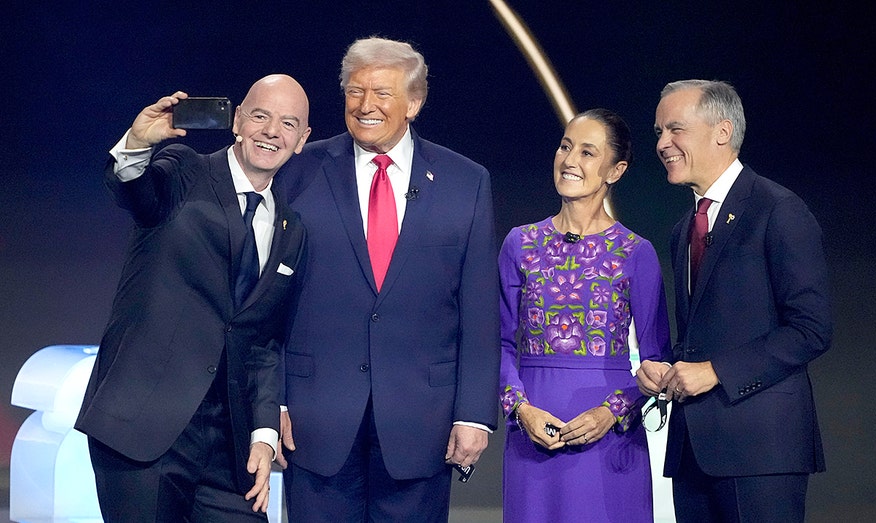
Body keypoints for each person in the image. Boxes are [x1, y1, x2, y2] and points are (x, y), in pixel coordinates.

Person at [273, 37, 500, 522]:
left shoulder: (465, 181)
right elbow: (269, 299)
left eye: (382, 93)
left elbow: (480, 311)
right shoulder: (298, 171)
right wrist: (272, 402)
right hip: (315, 418)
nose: (365, 105)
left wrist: (473, 414)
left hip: (423, 421)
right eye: (355, 91)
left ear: (413, 103)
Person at [75, 74, 312, 521]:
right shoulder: (185, 170)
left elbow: (264, 343)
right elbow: (134, 191)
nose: (271, 131)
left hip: (229, 445)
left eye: (288, 123)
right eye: (260, 116)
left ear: (302, 140)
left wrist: (263, 435)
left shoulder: (292, 230)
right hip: (144, 430)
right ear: (237, 121)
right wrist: (137, 145)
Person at [638, 79, 832, 522]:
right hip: (692, 453)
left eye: (675, 129)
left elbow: (811, 329)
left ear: (722, 131)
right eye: (659, 132)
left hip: (761, 451)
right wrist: (665, 368)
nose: (663, 144)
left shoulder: (777, 210)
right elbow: (703, 332)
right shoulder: (684, 228)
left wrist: (714, 372)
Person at [498, 108, 672, 522]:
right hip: (532, 436)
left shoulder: (636, 252)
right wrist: (521, 409)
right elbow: (498, 342)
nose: (569, 160)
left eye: (587, 152)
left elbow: (657, 362)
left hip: (609, 441)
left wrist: (610, 411)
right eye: (565, 147)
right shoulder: (520, 243)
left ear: (616, 170)